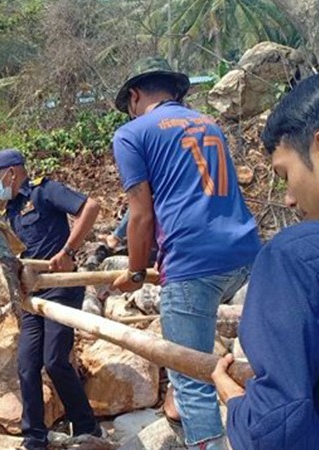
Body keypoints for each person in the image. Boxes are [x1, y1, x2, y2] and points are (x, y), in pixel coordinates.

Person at [110, 57, 261, 450]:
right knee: (264, 365)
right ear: (176, 93)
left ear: (135, 95)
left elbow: (142, 214)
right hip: (247, 254)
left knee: (192, 377)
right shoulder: (209, 124)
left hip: (192, 262)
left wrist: (137, 272)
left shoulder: (131, 133)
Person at [211, 74, 319, 450]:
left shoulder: (295, 257)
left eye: (285, 174)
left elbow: (279, 427)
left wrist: (238, 405)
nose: (288, 198)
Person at [0, 148, 103, 449]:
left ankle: (87, 427)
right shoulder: (9, 213)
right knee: (27, 364)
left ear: (11, 173)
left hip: (60, 287)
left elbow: (91, 207)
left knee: (56, 359)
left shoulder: (45, 192)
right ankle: (34, 437)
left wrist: (69, 252)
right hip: (31, 294)